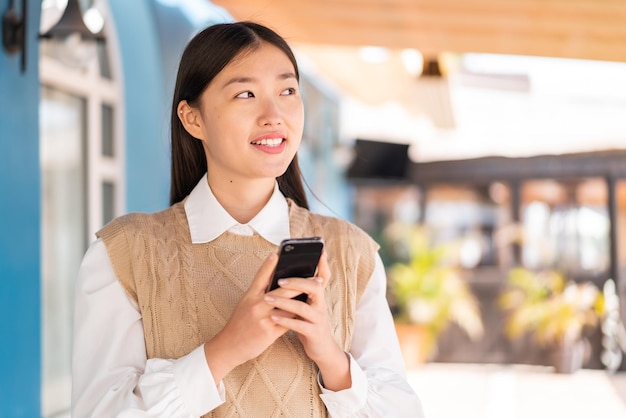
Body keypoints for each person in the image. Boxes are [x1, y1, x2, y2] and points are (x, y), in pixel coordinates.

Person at [71, 21, 424, 417]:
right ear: (192, 119)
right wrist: (224, 350)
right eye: (246, 94)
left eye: (287, 91)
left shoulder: (351, 252)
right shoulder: (124, 255)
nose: (274, 115)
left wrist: (331, 358)